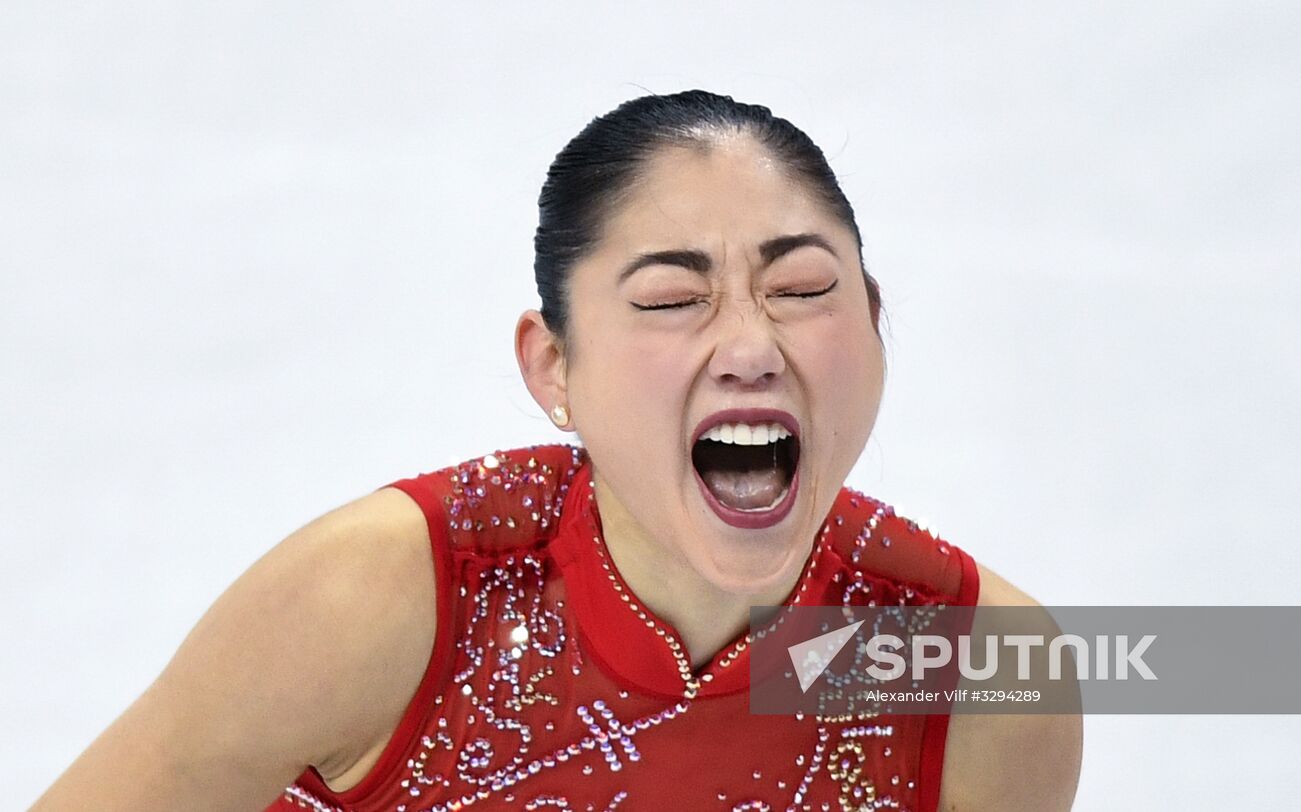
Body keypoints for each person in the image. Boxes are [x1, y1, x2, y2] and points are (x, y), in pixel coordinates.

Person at [32, 90, 1081, 811]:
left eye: (803, 289)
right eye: (673, 300)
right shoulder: (378, 596)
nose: (751, 346)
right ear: (553, 371)